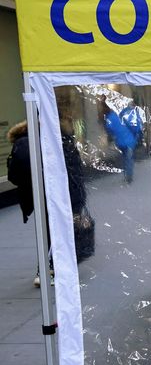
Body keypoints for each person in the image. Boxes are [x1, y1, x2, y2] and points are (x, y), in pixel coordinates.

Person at [6, 119, 87, 286]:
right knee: (59, 229)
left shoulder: (22, 141)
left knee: (48, 229)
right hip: (60, 192)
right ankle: (49, 269)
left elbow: (13, 175)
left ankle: (47, 268)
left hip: (35, 194)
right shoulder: (59, 138)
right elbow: (75, 168)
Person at [101, 98, 142, 183]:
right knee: (129, 159)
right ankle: (128, 177)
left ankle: (126, 175)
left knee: (125, 158)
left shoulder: (113, 116)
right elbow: (135, 127)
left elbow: (110, 130)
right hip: (129, 141)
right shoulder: (129, 114)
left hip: (120, 142)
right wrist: (137, 135)